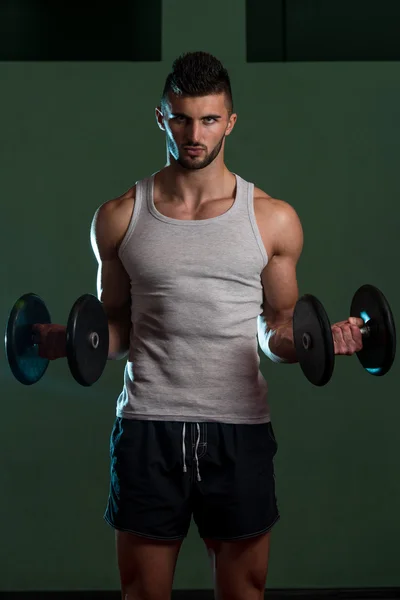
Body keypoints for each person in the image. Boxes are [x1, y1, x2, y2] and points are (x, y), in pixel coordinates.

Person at [37, 51, 365, 600]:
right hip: (147, 426)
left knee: (244, 590)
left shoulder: (271, 218)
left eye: (210, 120)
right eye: (182, 118)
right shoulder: (119, 216)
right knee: (142, 590)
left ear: (230, 122)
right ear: (161, 117)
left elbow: (275, 327)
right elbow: (117, 330)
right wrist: (75, 342)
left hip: (238, 428)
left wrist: (315, 343)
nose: (196, 133)